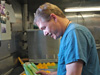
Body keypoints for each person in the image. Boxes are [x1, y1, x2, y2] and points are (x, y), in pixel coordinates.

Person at [34, 2, 100, 75]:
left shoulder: (74, 33)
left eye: (44, 28)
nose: (45, 33)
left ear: (54, 18)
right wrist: (49, 74)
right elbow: (66, 71)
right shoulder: (67, 35)